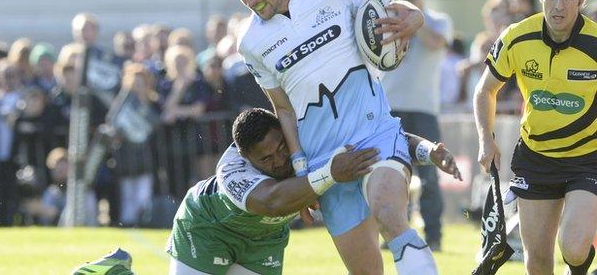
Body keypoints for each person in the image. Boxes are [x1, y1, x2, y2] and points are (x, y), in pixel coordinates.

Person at [214, 0, 446, 274]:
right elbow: (285, 110)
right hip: (327, 163)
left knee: (389, 214)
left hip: (375, 134)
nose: (249, 0)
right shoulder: (250, 42)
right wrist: (305, 175)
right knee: (366, 270)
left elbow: (387, 8)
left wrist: (415, 15)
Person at [167, 108, 460, 275]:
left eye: (282, 148)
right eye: (266, 160)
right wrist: (329, 174)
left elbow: (376, 142)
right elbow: (273, 201)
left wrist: (428, 151)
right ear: (247, 158)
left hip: (264, 240)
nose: (280, 160)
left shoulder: (302, 137)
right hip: (208, 229)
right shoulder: (232, 170)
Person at [474, 0, 597, 275]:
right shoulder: (516, 37)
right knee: (538, 261)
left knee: (573, 244)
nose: (559, 5)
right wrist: (486, 141)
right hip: (536, 158)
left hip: (588, 159)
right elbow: (484, 91)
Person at [379, 0, 454, 251]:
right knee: (392, 174)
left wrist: (414, 16)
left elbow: (436, 43)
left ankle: (433, 235)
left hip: (424, 108)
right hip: (391, 106)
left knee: (430, 175)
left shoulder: (437, 20)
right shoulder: (388, 16)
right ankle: (395, 233)